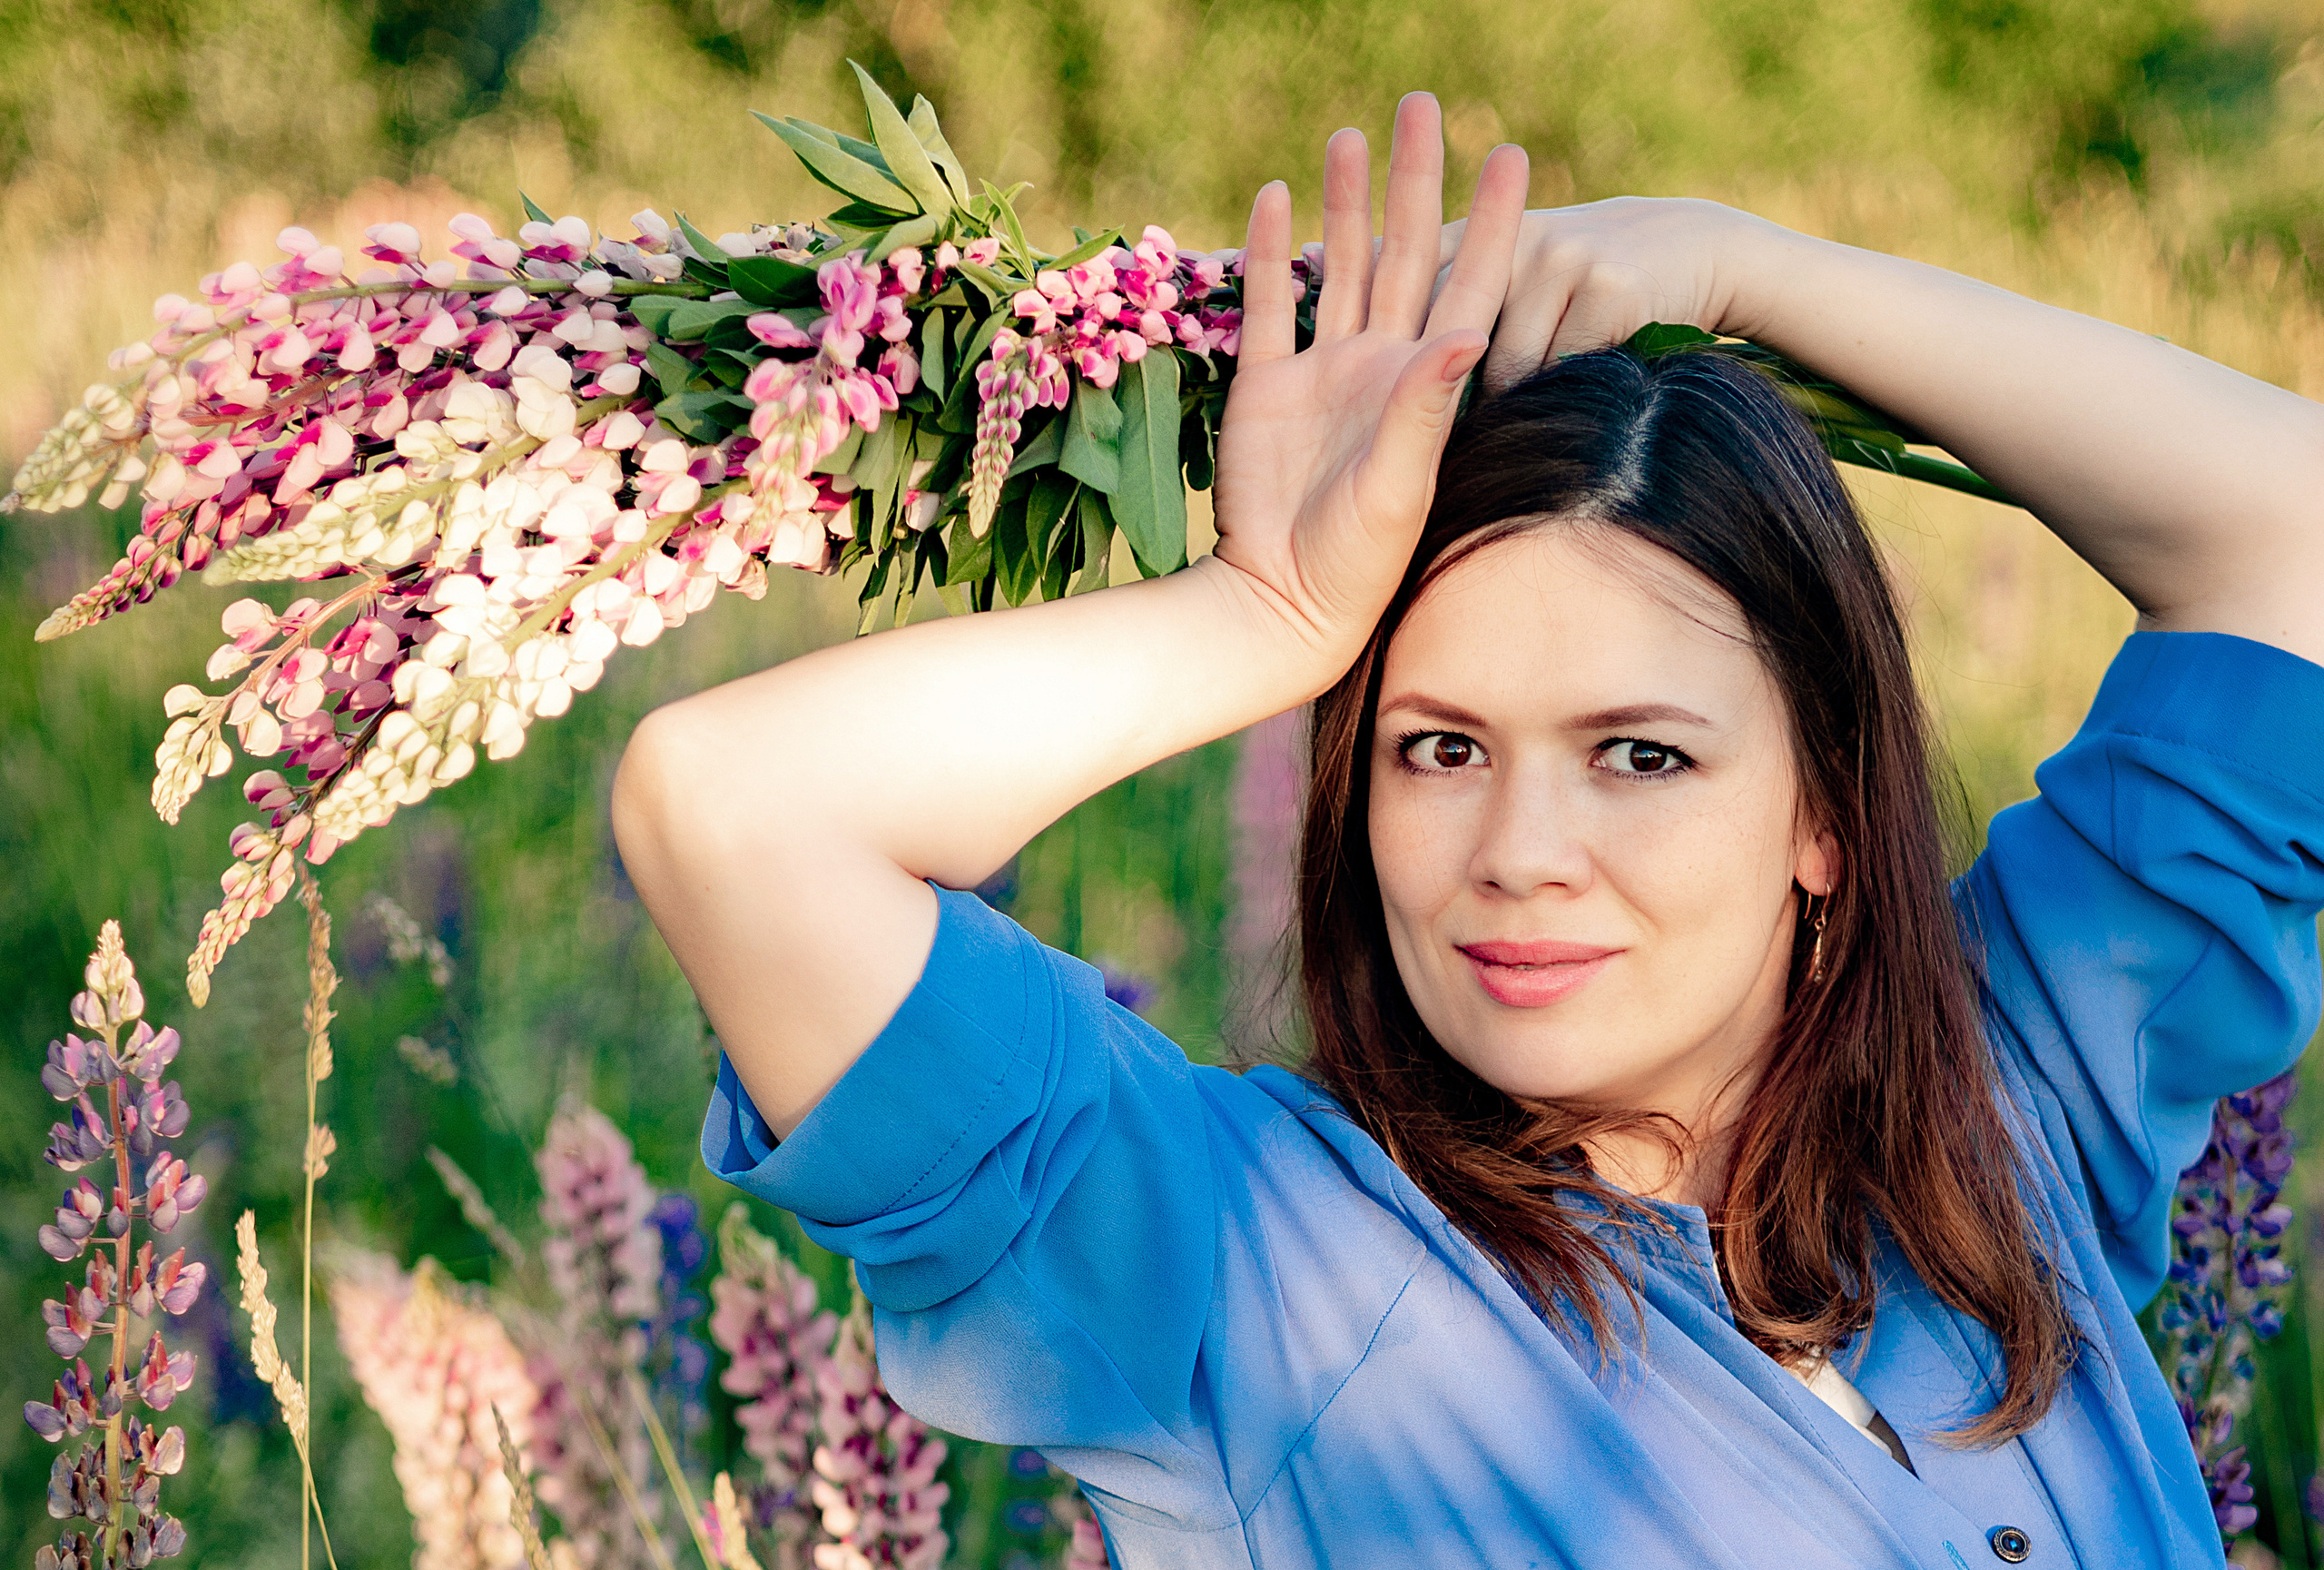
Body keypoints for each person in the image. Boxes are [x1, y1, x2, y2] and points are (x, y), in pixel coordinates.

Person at [611, 92, 2324, 1569]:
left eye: (1639, 755)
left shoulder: (2004, 1103)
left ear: (1823, 814)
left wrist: (1746, 268)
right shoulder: (1245, 1265)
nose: (1519, 849)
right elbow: (737, 812)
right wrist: (1261, 612)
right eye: (1438, 747)